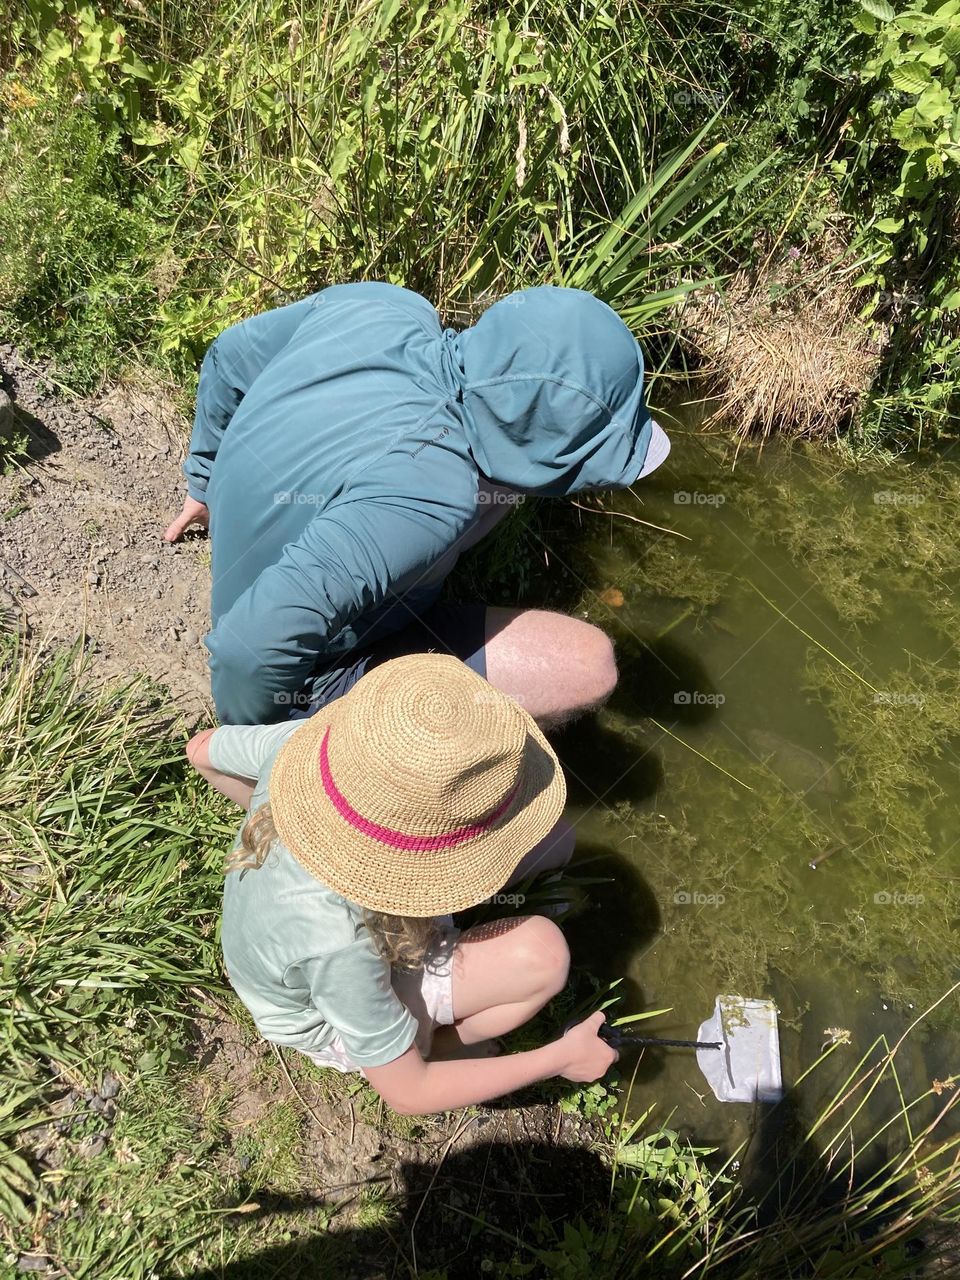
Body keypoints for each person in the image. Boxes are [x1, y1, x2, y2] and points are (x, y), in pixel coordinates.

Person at [165, 283, 670, 727]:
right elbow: (247, 648)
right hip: (296, 669)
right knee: (586, 665)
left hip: (257, 575)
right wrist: (260, 750)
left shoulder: (385, 305)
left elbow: (230, 357)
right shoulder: (433, 496)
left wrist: (203, 481)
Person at [185, 652, 618, 1114]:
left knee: (556, 842)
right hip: (325, 1010)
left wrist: (285, 816)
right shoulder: (337, 942)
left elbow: (202, 751)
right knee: (542, 955)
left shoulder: (305, 747)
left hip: (328, 925)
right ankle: (441, 1045)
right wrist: (559, 1058)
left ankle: (433, 1023)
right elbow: (409, 1093)